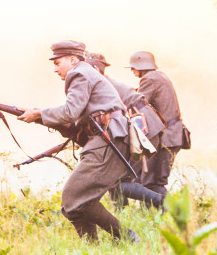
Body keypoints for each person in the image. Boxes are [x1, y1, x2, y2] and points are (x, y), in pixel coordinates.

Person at [18, 41, 139, 242]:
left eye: (57, 63)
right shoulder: (85, 73)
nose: (55, 69)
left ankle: (127, 237)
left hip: (108, 139)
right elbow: (76, 120)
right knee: (73, 205)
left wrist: (39, 113)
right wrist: (40, 117)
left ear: (72, 60)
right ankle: (91, 251)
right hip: (106, 139)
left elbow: (70, 111)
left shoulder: (79, 74)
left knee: (73, 199)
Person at [85, 52, 165, 210]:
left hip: (143, 125)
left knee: (119, 180)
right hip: (143, 124)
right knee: (117, 178)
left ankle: (163, 204)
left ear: (94, 69)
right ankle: (121, 213)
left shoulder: (97, 84)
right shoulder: (100, 83)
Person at [128, 50, 187, 198]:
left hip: (167, 137)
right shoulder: (159, 76)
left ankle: (166, 213)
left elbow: (136, 102)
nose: (132, 70)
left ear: (141, 66)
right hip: (172, 135)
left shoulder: (149, 79)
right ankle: (157, 216)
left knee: (153, 183)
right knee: (153, 181)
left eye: (133, 67)